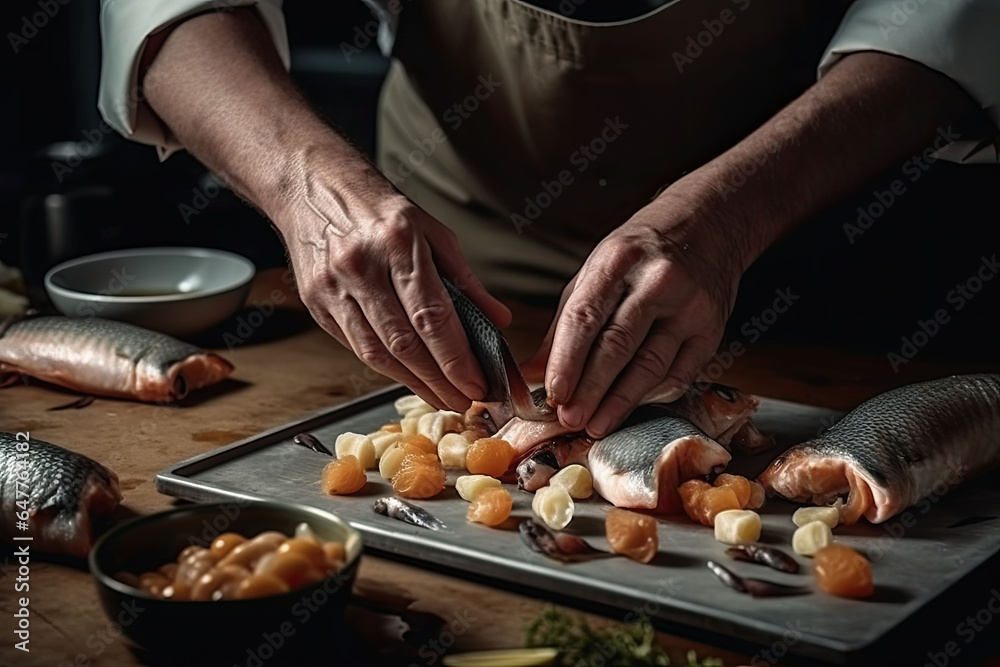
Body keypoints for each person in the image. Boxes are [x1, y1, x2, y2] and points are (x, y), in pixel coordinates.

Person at [98, 0, 998, 438]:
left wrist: (729, 219)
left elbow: (953, 14)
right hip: (455, 256)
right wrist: (303, 185)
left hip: (812, 266)